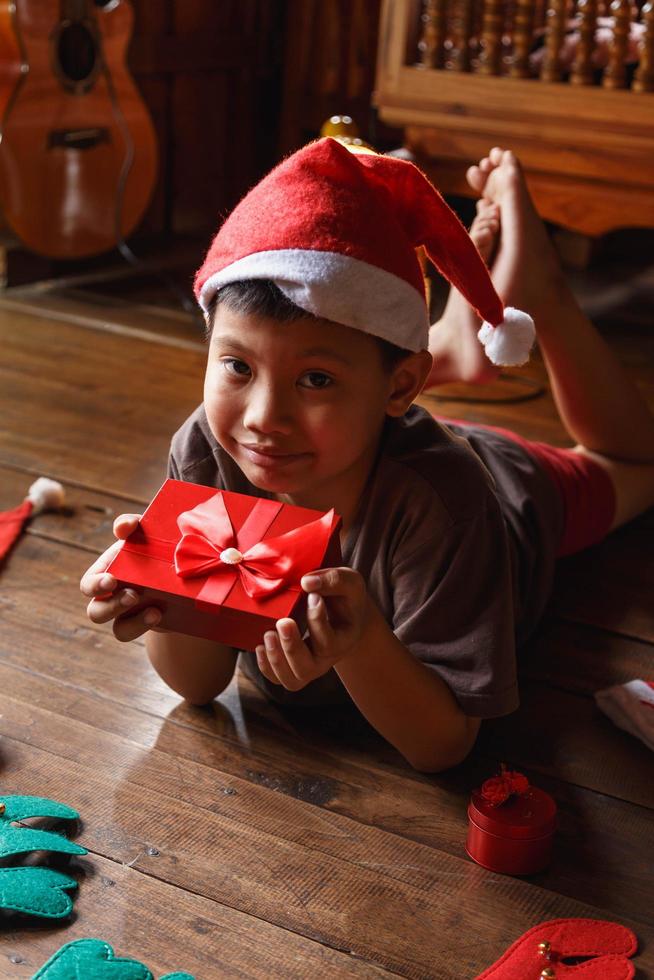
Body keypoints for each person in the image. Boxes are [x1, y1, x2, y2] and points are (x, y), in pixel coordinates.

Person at [80, 141, 654, 773]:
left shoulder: (447, 504)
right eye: (237, 366)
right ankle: (448, 345)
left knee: (635, 465)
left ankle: (542, 290)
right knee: (344, 387)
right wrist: (156, 602)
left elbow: (444, 744)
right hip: (364, 433)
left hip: (508, 488)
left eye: (315, 380)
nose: (262, 419)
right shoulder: (210, 449)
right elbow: (196, 687)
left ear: (403, 387)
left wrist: (361, 646)